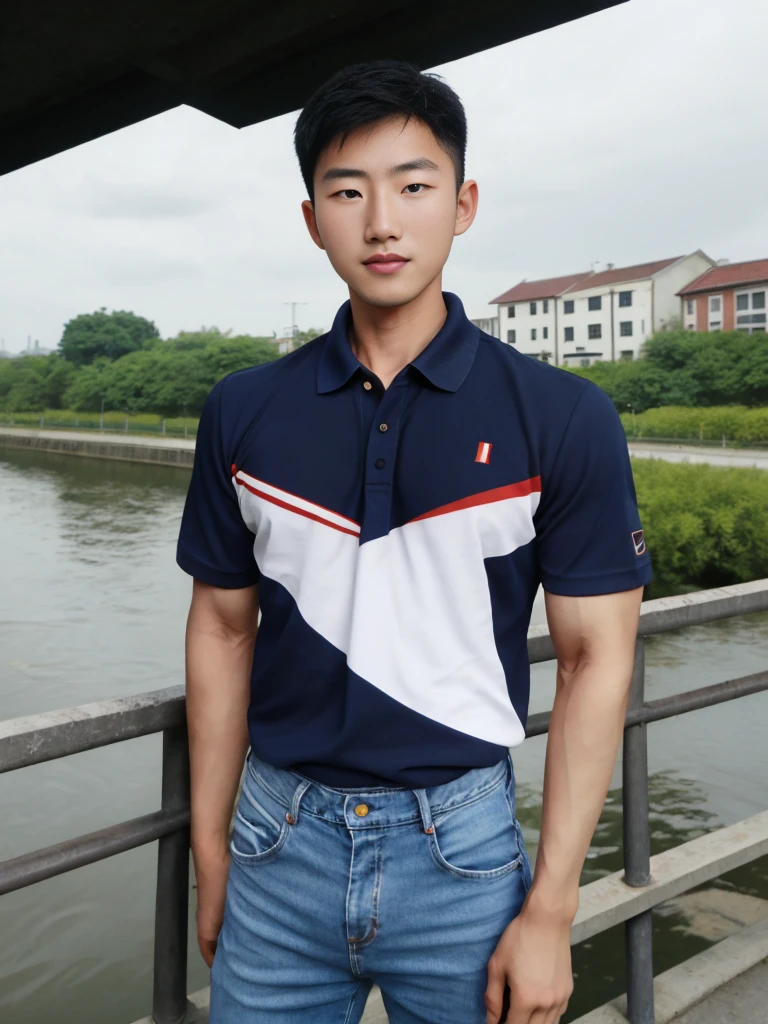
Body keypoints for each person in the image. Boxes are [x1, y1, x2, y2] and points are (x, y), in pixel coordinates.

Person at [176, 60, 652, 1024]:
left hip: (464, 849)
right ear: (312, 218)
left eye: (414, 185)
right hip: (277, 838)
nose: (381, 221)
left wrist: (552, 907)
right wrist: (212, 847)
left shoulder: (560, 416)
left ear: (463, 203)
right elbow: (223, 629)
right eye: (347, 192)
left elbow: (596, 655)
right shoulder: (244, 409)